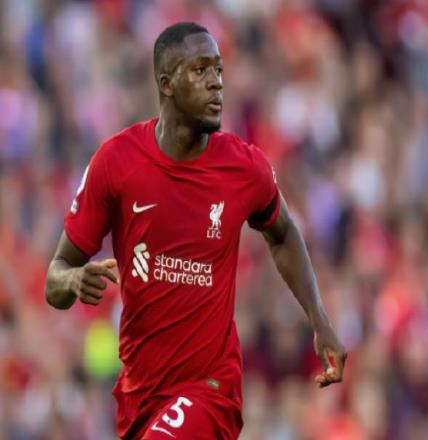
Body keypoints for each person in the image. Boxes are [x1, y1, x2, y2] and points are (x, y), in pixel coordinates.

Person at [45, 22, 347, 439]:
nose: (216, 82)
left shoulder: (245, 167)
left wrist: (320, 319)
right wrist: (73, 280)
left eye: (219, 70)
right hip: (141, 396)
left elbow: (282, 233)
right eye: (200, 70)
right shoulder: (116, 163)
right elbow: (55, 278)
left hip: (211, 391)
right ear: (166, 83)